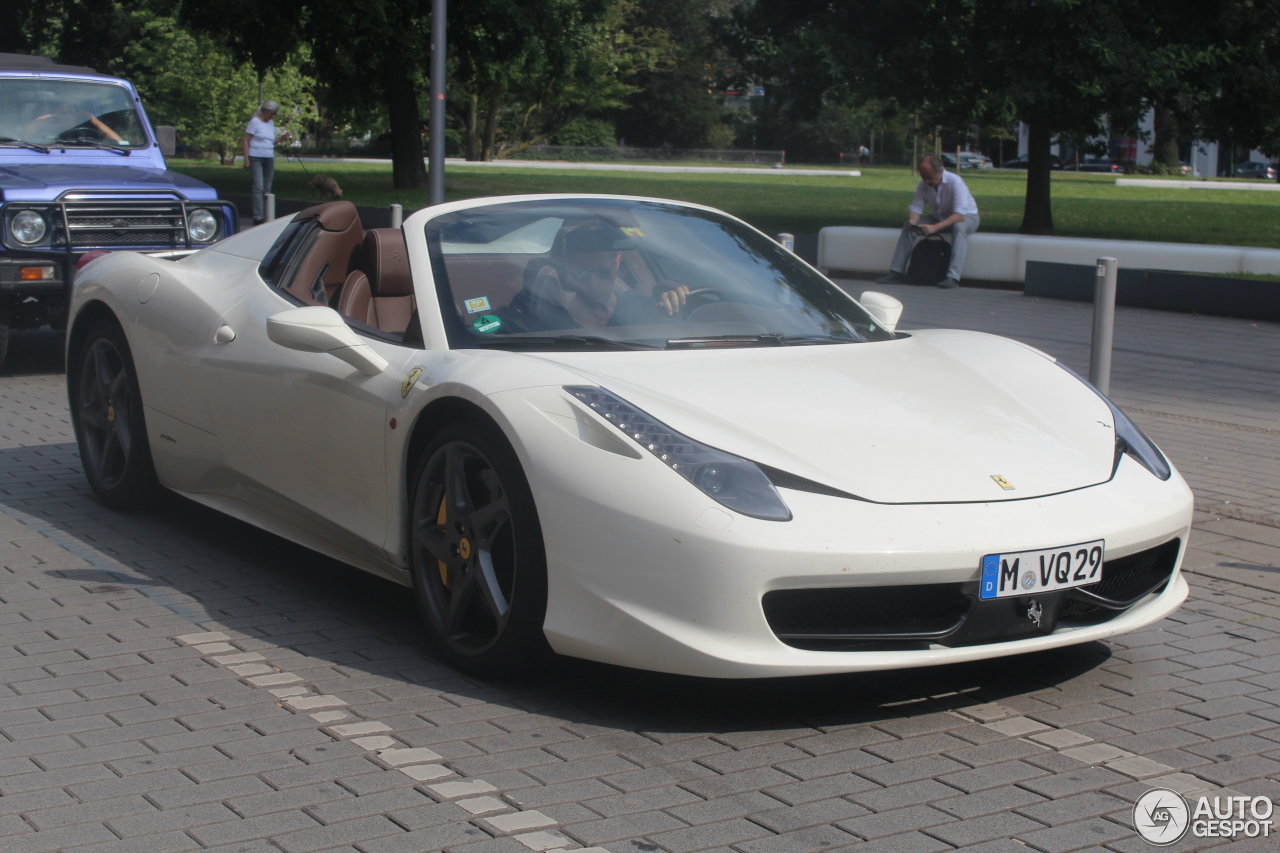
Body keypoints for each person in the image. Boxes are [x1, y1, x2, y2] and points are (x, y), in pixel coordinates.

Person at [496, 228, 689, 332]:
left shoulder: (645, 308)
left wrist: (674, 308)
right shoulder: (542, 317)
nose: (593, 283)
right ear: (567, 269)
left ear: (617, 262)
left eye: (602, 273)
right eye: (582, 274)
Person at [877, 154, 980, 288]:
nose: (926, 181)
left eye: (929, 177)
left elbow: (960, 215)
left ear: (939, 172)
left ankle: (953, 277)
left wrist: (935, 228)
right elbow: (916, 207)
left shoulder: (955, 182)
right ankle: (896, 272)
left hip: (967, 217)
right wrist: (913, 221)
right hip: (940, 217)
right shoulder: (923, 185)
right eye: (923, 177)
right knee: (908, 227)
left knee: (959, 228)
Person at [242, 101, 279, 226]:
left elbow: (271, 142)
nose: (273, 116)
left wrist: (282, 139)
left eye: (275, 114)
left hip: (269, 157)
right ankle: (258, 216)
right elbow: (246, 140)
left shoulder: (271, 123)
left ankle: (267, 214)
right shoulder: (255, 122)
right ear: (265, 111)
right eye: (272, 113)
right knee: (258, 186)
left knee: (267, 188)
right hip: (255, 157)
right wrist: (246, 159)